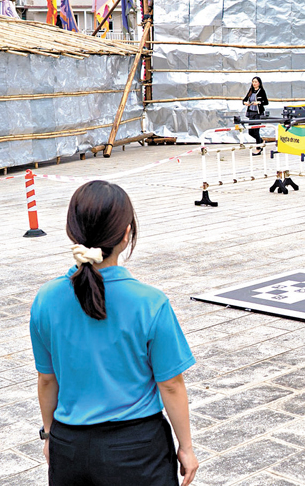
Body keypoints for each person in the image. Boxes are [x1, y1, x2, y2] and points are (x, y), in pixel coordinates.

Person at [30, 181, 198, 486]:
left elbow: (47, 379)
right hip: (137, 451)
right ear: (126, 234)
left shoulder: (46, 299)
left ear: (72, 233)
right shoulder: (150, 303)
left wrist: (49, 435)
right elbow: (171, 385)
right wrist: (185, 448)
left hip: (70, 448)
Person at [242, 76, 269, 155]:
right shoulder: (251, 91)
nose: (254, 83)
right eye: (253, 82)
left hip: (258, 113)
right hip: (251, 112)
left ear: (259, 83)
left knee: (256, 130)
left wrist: (259, 102)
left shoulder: (261, 91)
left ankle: (258, 148)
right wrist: (245, 103)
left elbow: (266, 102)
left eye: (256, 82)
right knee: (250, 131)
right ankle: (260, 141)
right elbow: (244, 99)